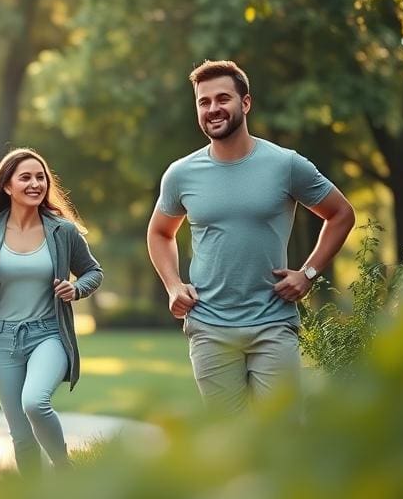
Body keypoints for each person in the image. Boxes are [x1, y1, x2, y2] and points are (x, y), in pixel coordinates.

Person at [147, 59, 355, 414]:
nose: (213, 109)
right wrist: (173, 285)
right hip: (209, 325)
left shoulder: (286, 164)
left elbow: (341, 214)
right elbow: (159, 232)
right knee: (228, 437)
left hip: (273, 323)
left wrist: (308, 274)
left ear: (245, 103)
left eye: (222, 98)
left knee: (282, 431)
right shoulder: (180, 174)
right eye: (203, 101)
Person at [0, 148, 103, 475]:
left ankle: (65, 470)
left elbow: (93, 271)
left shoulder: (62, 231)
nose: (35, 184)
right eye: (25, 177)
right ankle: (34, 498)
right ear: (7, 186)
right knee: (21, 435)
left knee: (35, 402)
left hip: (48, 334)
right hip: (1, 341)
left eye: (40, 177)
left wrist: (76, 289)